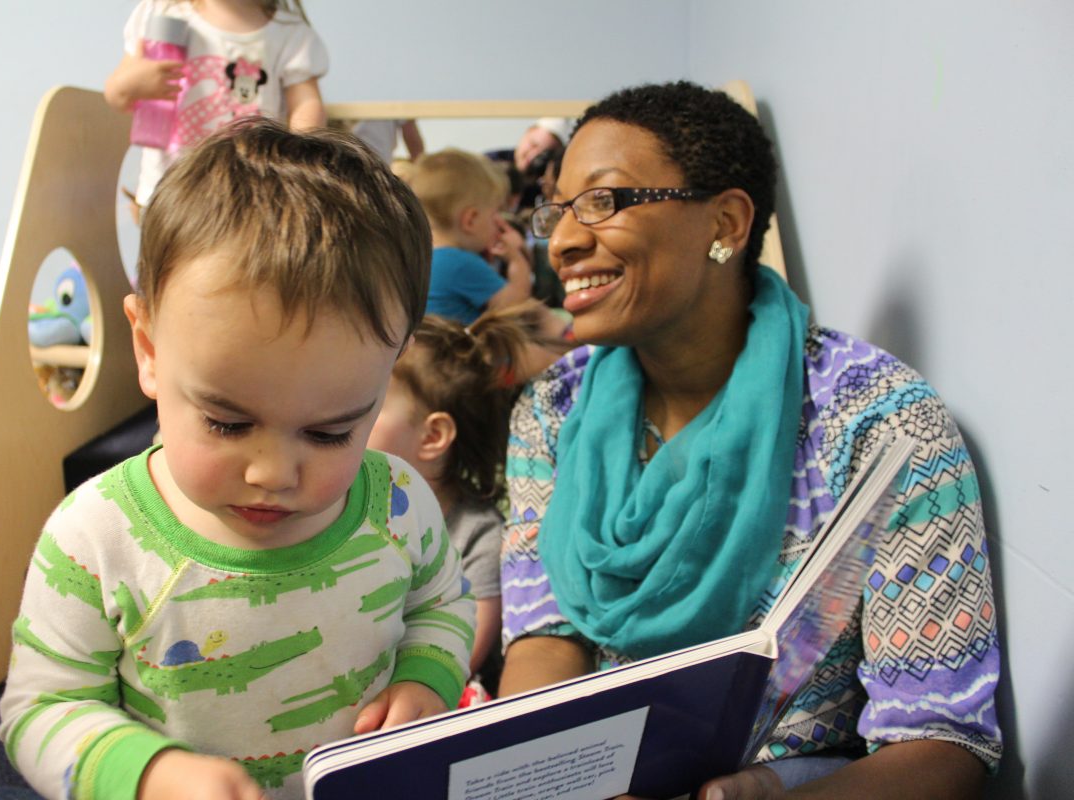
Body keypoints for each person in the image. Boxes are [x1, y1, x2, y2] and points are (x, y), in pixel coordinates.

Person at [498, 81, 1001, 799]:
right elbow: (548, 634)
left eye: (604, 202)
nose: (566, 241)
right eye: (561, 210)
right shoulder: (554, 409)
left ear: (726, 224)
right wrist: (545, 773)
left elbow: (942, 742)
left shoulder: (876, 426)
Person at [0, 119, 475, 800]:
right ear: (149, 351)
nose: (274, 473)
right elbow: (38, 710)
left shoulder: (398, 502)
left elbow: (442, 604)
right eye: (227, 422)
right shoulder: (92, 537)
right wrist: (147, 774)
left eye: (332, 432)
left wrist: (428, 676)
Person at [366, 304, 573, 701]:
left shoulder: (477, 534)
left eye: (370, 404)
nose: (347, 417)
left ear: (432, 437)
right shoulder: (342, 510)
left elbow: (459, 655)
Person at [105, 0, 328, 210]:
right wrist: (130, 85)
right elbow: (117, 96)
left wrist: (299, 158)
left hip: (251, 193)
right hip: (169, 190)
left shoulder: (288, 33)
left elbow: (306, 103)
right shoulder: (163, 11)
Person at [407, 148, 534, 326]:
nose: (498, 221)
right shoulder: (459, 263)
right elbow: (516, 305)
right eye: (495, 212)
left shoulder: (419, 257)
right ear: (471, 220)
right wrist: (516, 259)